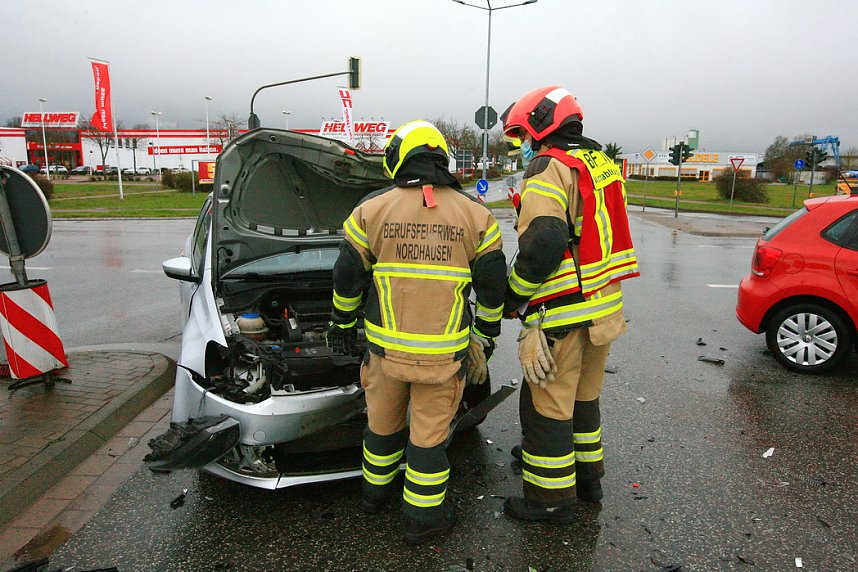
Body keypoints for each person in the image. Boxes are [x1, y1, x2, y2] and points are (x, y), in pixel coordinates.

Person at [326, 120, 506, 543]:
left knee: (382, 428)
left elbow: (347, 278)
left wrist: (343, 325)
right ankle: (423, 521)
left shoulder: (369, 211)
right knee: (428, 440)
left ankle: (374, 498)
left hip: (384, 354)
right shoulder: (477, 216)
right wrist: (487, 335)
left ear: (396, 158)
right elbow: (493, 286)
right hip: (444, 359)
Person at [499, 86, 640, 523]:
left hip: (561, 311)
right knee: (584, 399)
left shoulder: (549, 165)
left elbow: (543, 242)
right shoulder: (600, 164)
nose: (524, 147)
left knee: (545, 408)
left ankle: (550, 501)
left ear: (540, 123)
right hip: (603, 308)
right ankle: (588, 480)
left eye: (523, 136)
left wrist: (513, 296)